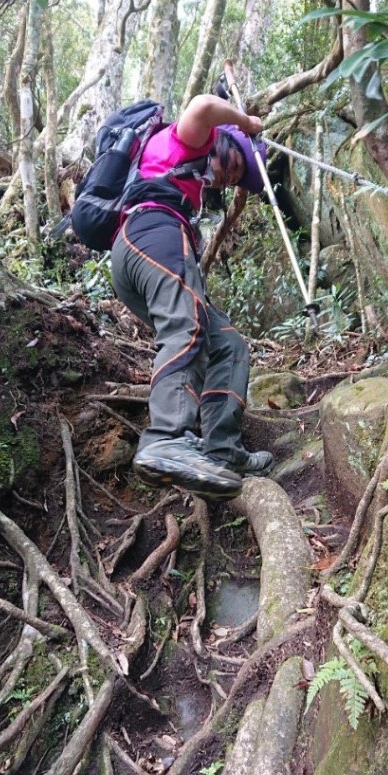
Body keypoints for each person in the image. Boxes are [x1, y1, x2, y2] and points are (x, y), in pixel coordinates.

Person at [110, 93, 274, 499]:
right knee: (187, 324)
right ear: (220, 142)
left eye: (236, 179)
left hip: (137, 254)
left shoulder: (189, 179)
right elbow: (202, 104)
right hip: (155, 235)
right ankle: (167, 437)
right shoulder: (191, 140)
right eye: (232, 166)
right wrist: (247, 123)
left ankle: (222, 451)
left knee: (226, 343)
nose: (227, 179)